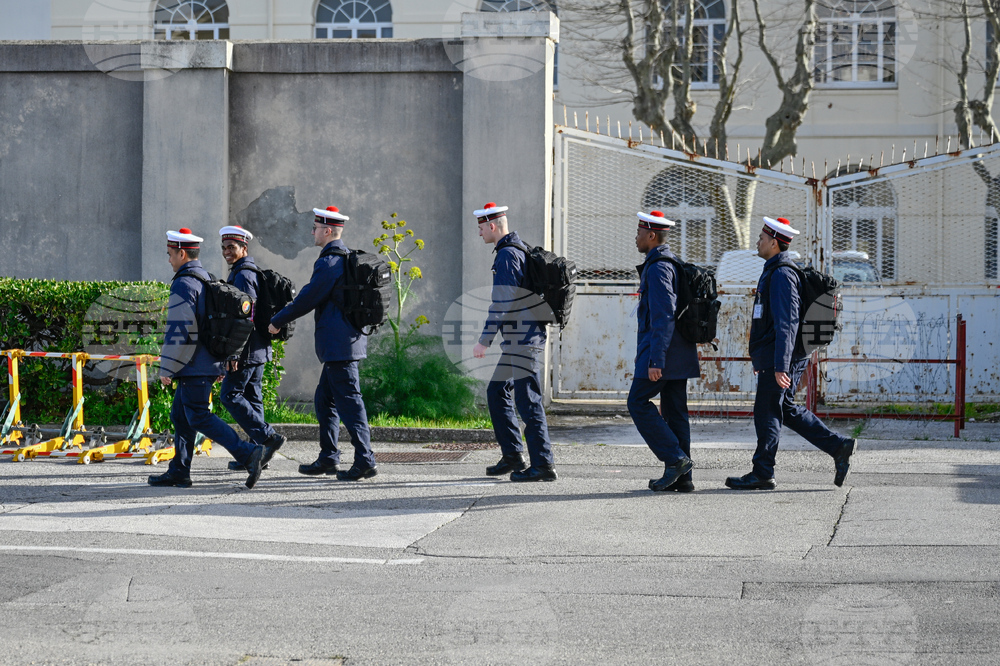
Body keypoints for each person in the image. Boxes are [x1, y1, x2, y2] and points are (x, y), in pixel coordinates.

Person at [725, 216, 858, 491]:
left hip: (783, 356)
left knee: (767, 410)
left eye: (762, 238)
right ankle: (838, 446)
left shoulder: (783, 275)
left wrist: (780, 365)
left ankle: (763, 471)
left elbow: (788, 323)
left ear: (774, 243)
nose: (757, 242)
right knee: (783, 408)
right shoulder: (774, 270)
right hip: (777, 355)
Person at [148, 228, 268, 489]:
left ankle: (248, 453)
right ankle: (179, 470)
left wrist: (168, 366)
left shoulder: (184, 282)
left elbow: (180, 329)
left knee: (199, 416)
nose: (168, 259)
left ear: (181, 253)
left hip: (193, 365)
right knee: (180, 415)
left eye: (170, 254)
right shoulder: (207, 278)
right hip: (205, 362)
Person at [268, 206, 377, 481]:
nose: (312, 231)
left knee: (350, 403)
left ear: (327, 231)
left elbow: (308, 297)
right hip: (343, 344)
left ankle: (365, 459)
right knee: (324, 400)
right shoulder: (344, 258)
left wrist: (278, 320)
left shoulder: (330, 262)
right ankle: (329, 457)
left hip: (340, 347)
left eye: (316, 227)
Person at [471, 202, 556, 482]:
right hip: (520, 339)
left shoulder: (508, 255)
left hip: (524, 339)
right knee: (497, 392)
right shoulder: (515, 249)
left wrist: (484, 340)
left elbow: (502, 302)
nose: (479, 232)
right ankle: (513, 455)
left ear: (493, 226)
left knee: (528, 401)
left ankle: (543, 465)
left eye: (481, 227)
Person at [626, 210, 699, 492]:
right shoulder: (669, 263)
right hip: (677, 353)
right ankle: (683, 478)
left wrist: (656, 359)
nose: (636, 237)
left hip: (664, 354)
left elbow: (663, 316)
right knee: (675, 411)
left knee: (637, 402)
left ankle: (676, 460)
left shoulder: (658, 267)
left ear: (651, 236)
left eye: (639, 232)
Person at [218, 225, 286, 472]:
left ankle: (268, 438)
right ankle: (261, 453)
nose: (227, 252)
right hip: (257, 349)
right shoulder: (245, 271)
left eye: (232, 247)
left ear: (244, 248)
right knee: (252, 398)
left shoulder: (244, 274)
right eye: (224, 247)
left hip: (246, 350)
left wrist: (234, 352)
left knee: (230, 395)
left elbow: (245, 315)